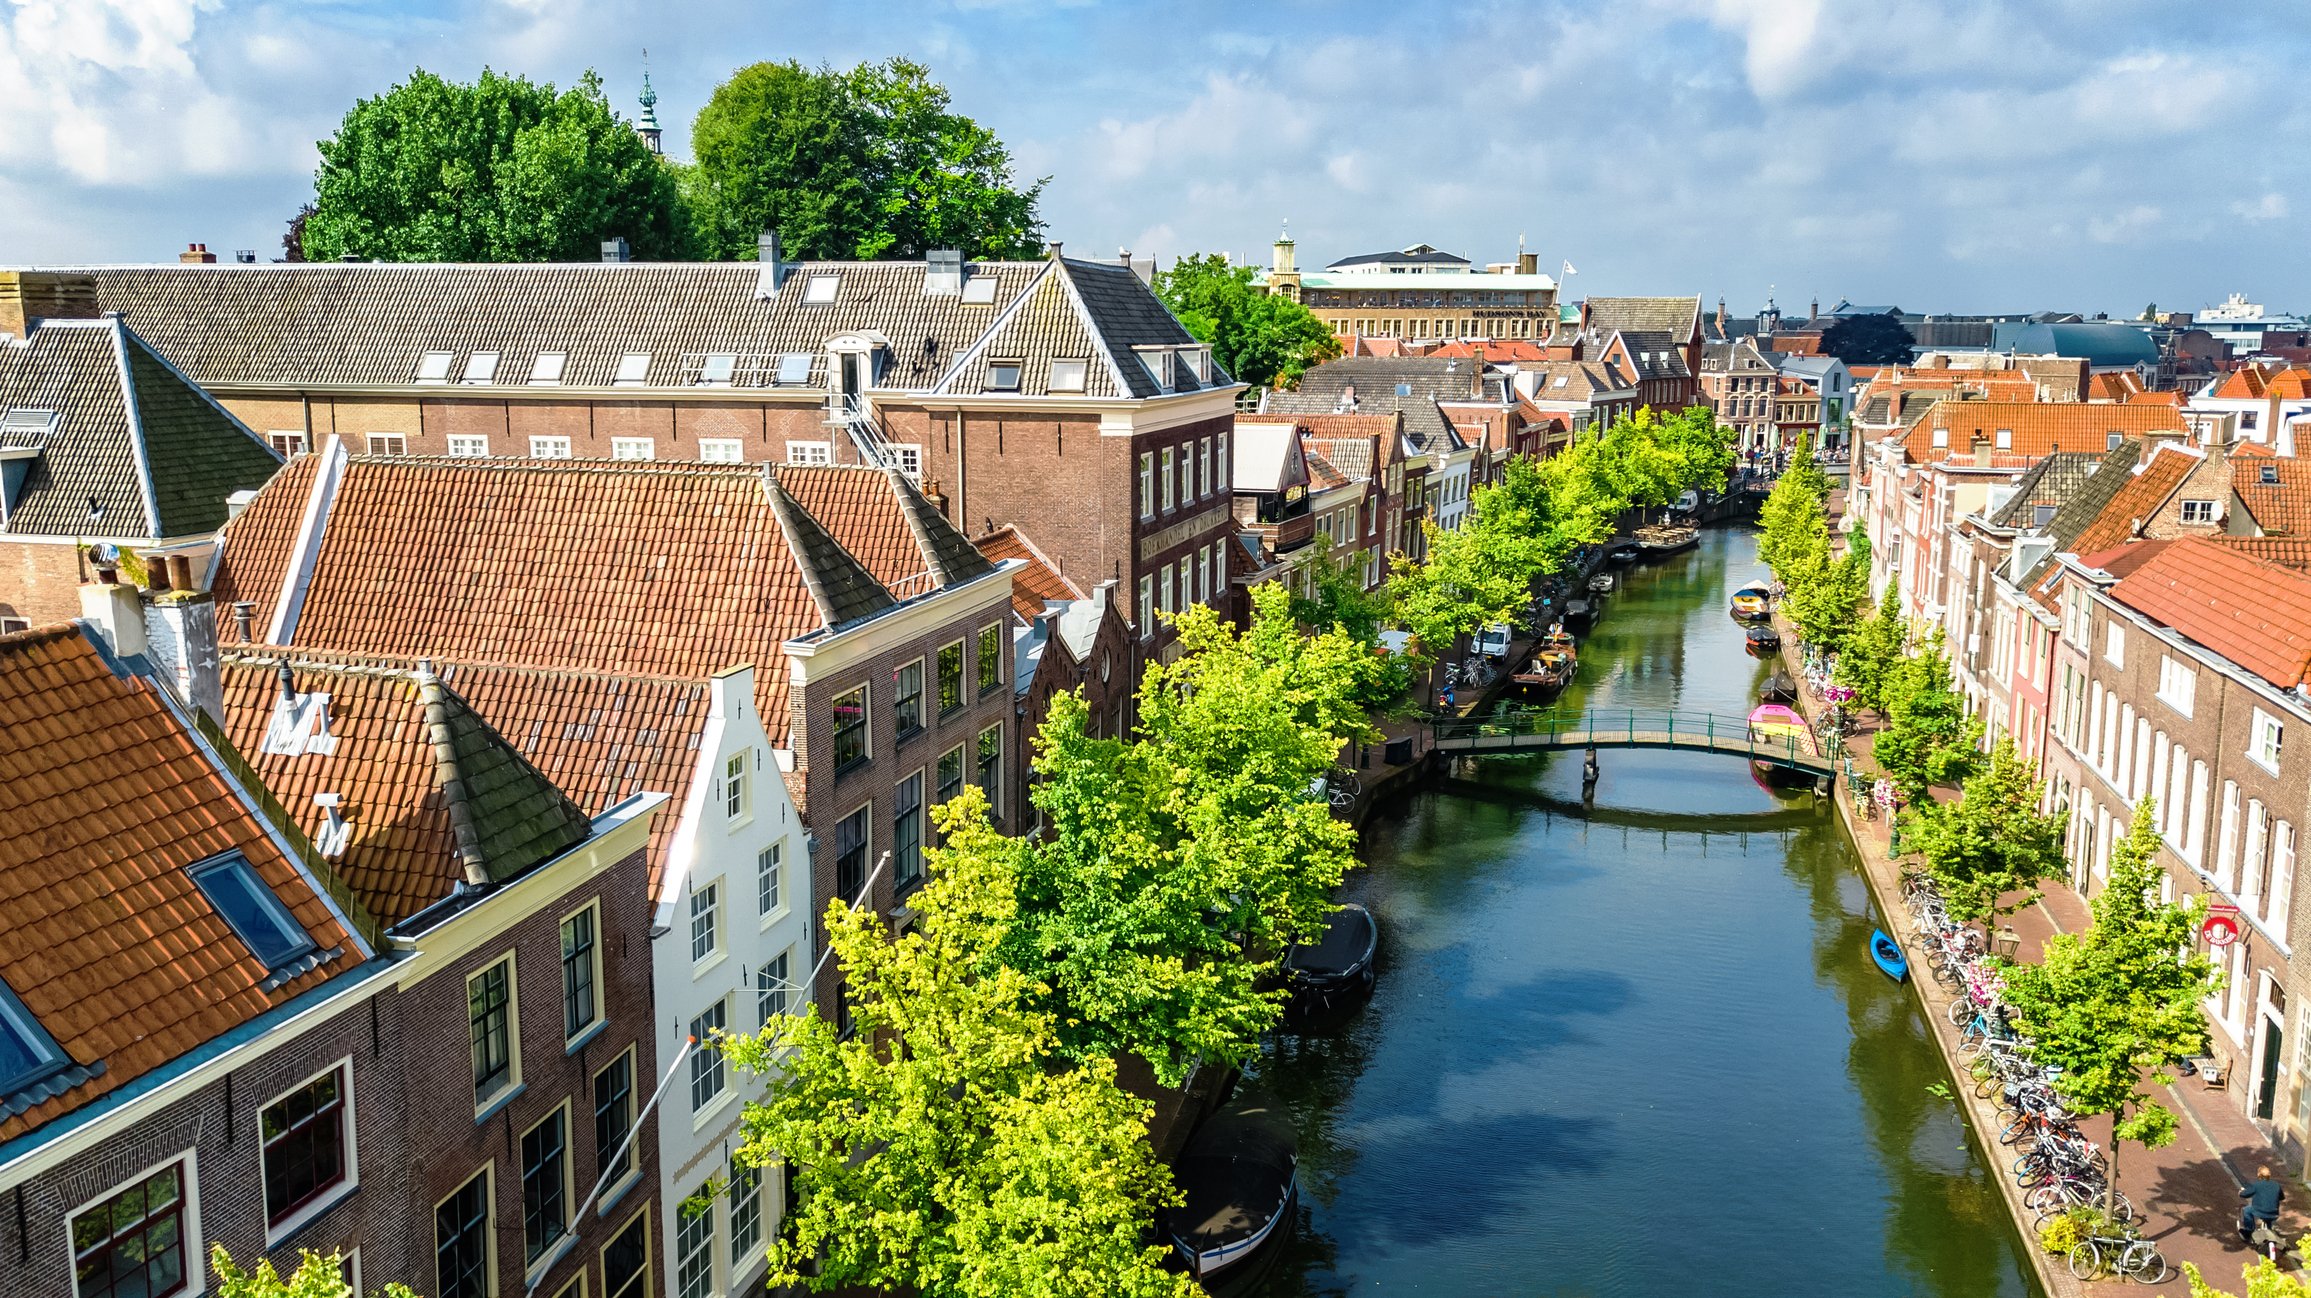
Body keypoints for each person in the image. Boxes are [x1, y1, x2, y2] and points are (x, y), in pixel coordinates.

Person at [2241, 1165, 2285, 1248]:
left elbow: (2245, 1194)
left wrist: (2241, 1192)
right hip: (2274, 1213)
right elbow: (2282, 1197)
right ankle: (2269, 1231)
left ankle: (2249, 1231)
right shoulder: (2276, 1185)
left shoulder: (2257, 1185)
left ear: (2259, 1175)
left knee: (2246, 1210)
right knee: (2268, 1216)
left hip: (2259, 1211)